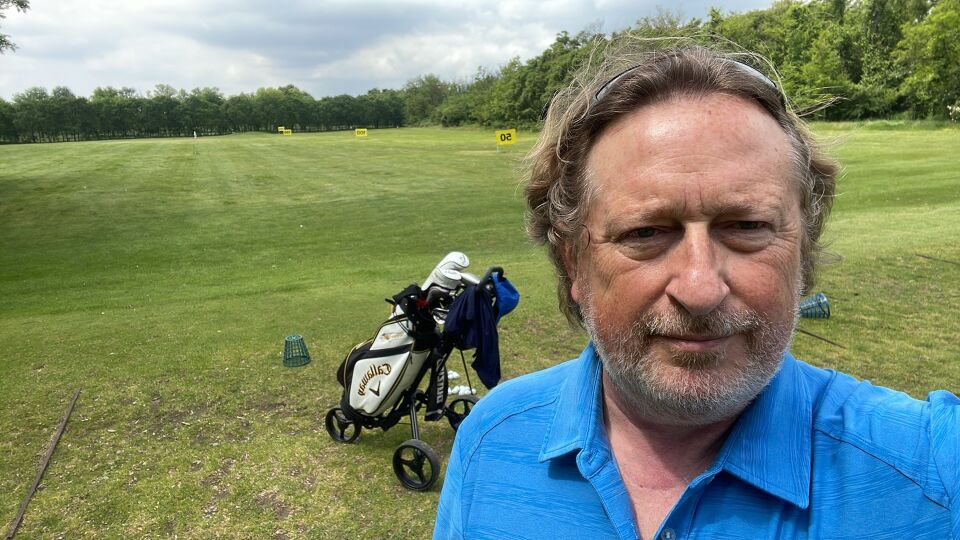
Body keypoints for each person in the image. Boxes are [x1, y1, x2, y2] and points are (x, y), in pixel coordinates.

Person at [433, 42, 959, 540]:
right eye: (645, 233)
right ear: (575, 262)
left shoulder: (931, 470)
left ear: (803, 247)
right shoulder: (491, 438)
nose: (700, 289)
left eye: (748, 226)